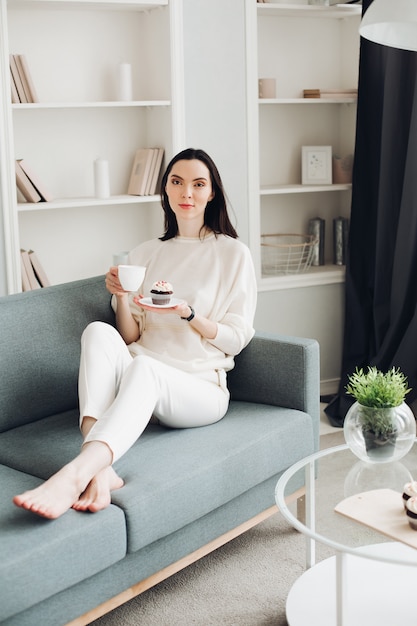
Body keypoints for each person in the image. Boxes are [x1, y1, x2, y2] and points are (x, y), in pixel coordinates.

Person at [13, 147, 257, 519]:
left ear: (212, 193)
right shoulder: (144, 253)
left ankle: (75, 473)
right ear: (166, 190)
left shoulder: (233, 254)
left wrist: (189, 314)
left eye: (198, 184)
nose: (186, 193)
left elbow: (236, 339)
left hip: (198, 388)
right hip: (139, 383)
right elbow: (128, 339)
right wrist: (123, 298)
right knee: (98, 331)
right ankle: (101, 469)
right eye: (177, 182)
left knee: (146, 369)